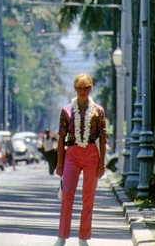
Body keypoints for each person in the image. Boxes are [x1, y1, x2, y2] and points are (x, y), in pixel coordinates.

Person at [53, 73, 106, 246]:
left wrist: (102, 163)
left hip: (91, 152)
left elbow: (103, 138)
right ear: (75, 89)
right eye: (79, 88)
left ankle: (83, 237)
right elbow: (61, 138)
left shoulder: (98, 111)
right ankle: (62, 236)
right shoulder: (66, 111)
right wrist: (59, 163)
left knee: (88, 196)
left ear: (90, 88)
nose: (82, 91)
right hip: (72, 152)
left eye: (86, 88)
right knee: (67, 193)